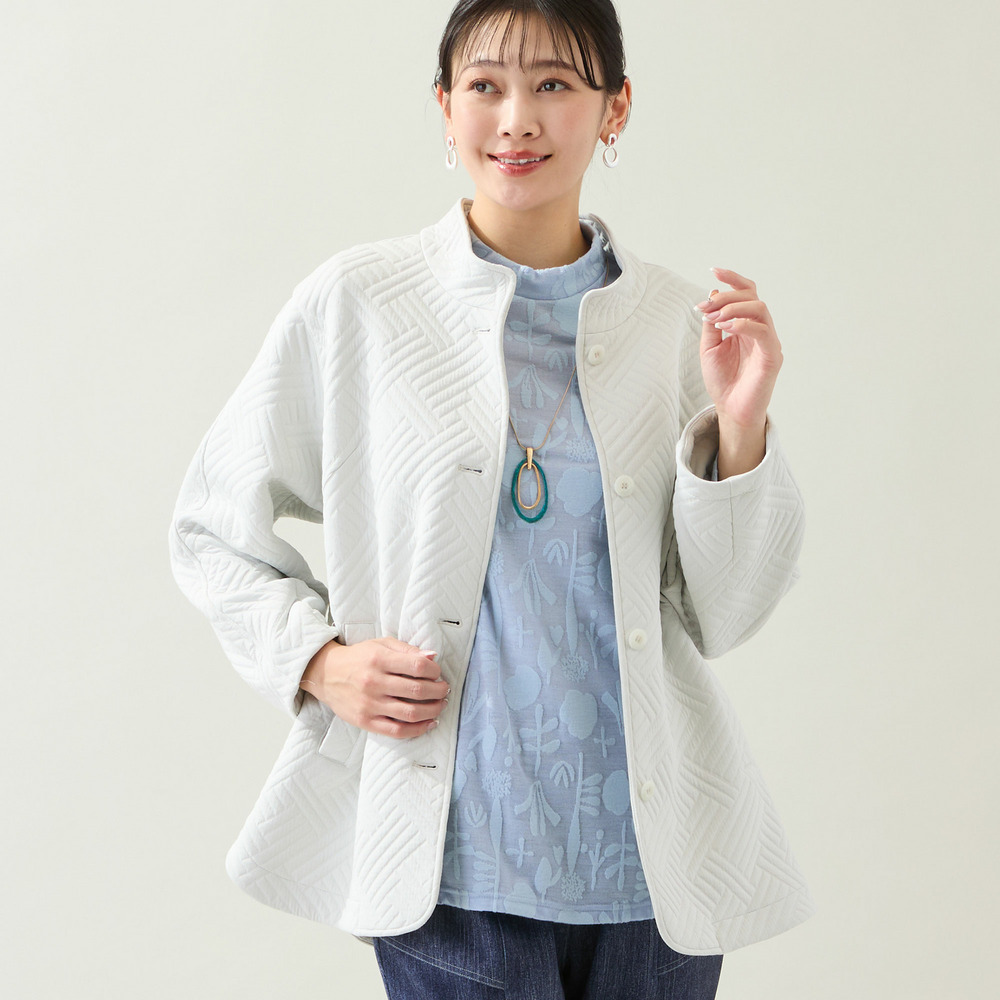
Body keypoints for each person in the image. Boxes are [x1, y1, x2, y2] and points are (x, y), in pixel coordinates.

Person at [168, 1, 815, 996]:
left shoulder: (675, 328)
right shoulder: (361, 304)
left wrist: (739, 428)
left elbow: (722, 612)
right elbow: (211, 526)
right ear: (444, 106)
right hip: (451, 870)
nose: (517, 118)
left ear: (615, 109)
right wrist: (318, 662)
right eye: (485, 86)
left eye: (554, 84)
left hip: (653, 884)